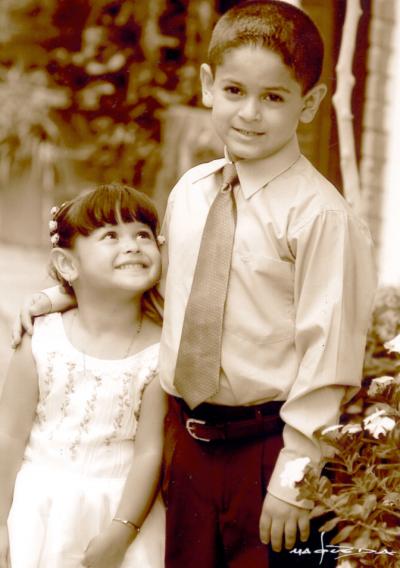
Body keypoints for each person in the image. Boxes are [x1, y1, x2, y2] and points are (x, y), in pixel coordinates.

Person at [12, 1, 377, 566]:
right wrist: (61, 297)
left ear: (308, 104)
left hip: (270, 450)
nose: (249, 113)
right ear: (208, 85)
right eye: (234, 91)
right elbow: (162, 290)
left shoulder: (320, 218)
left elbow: (328, 360)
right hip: (187, 448)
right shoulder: (191, 192)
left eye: (273, 98)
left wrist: (294, 475)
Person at [1, 184, 166, 568]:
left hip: (120, 511)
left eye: (143, 234)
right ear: (67, 265)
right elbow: (8, 435)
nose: (133, 245)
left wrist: (121, 531)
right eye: (111, 235)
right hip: (39, 508)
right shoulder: (41, 340)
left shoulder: (161, 351)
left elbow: (149, 452)